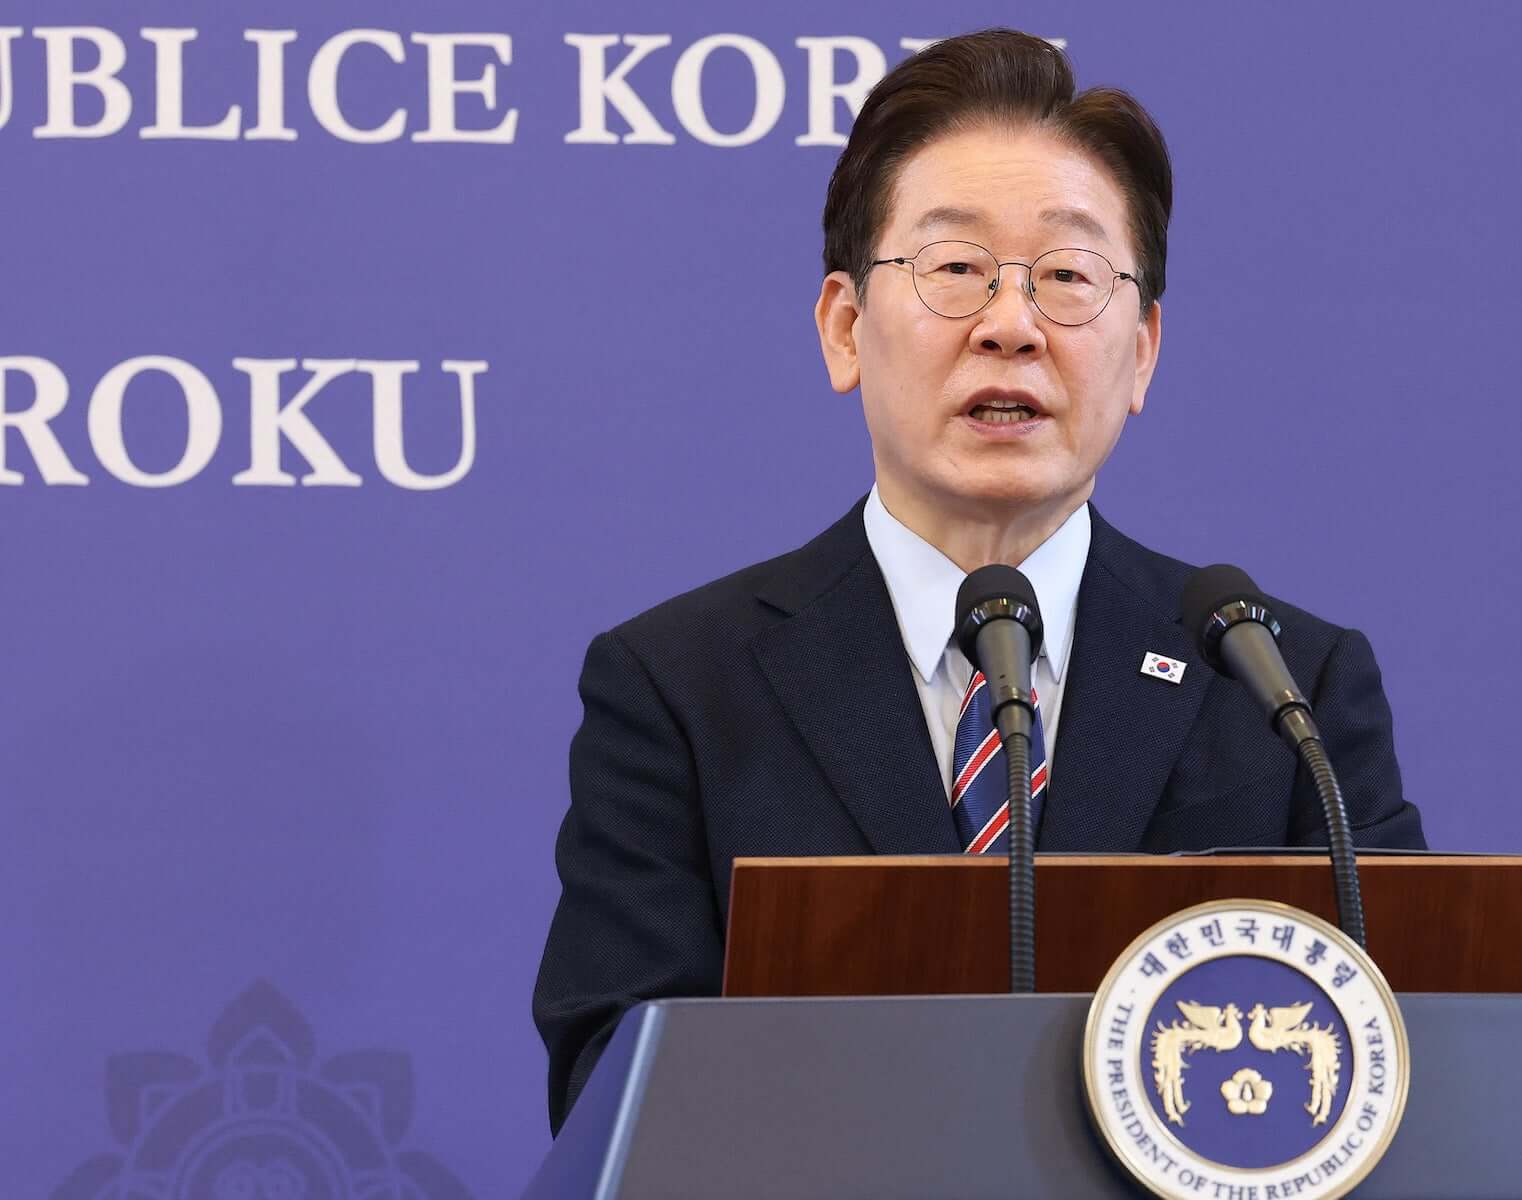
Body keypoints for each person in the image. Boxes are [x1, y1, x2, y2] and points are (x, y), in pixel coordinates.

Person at [532, 28, 1426, 1134]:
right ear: (845, 328)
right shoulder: (679, 688)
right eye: (956, 270)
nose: (1012, 327)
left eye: (1068, 277)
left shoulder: (1280, 684)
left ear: (1143, 351)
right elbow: (614, 1098)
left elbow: (1405, 1064)